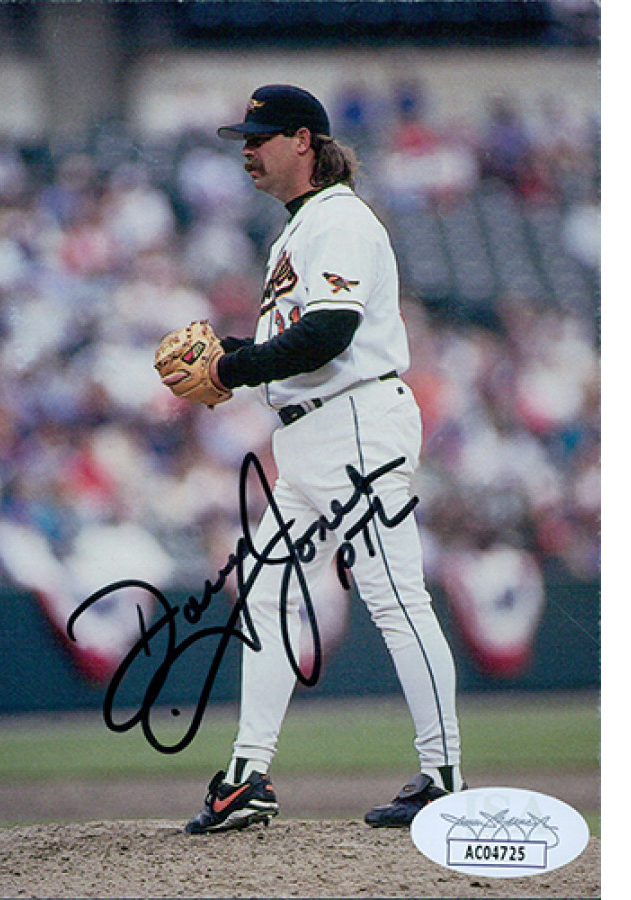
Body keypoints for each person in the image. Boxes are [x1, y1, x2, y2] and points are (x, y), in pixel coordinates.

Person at [184, 84, 466, 834]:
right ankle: (247, 776)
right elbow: (292, 346)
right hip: (309, 437)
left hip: (356, 425)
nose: (248, 150)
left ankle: (443, 775)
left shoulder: (338, 218)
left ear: (303, 141)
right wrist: (233, 354)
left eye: (261, 137)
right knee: (268, 591)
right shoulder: (300, 227)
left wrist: (232, 368)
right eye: (244, 138)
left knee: (395, 598)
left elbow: (330, 334)